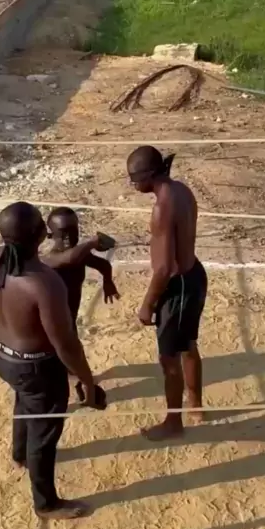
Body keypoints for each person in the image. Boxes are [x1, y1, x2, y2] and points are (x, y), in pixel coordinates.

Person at [0, 201, 101, 519]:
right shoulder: (44, 283)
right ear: (41, 235)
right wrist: (87, 381)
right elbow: (66, 344)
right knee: (44, 432)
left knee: (25, 399)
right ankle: (45, 503)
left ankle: (19, 454)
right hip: (33, 365)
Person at [126, 146, 207, 439]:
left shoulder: (162, 208)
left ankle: (174, 422)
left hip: (178, 286)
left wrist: (147, 304)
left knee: (169, 357)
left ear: (148, 175)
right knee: (189, 345)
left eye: (133, 178)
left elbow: (163, 269)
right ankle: (195, 404)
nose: (132, 184)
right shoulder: (182, 189)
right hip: (194, 274)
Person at [43, 206, 120, 402]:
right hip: (52, 324)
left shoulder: (79, 255)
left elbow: (103, 264)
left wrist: (108, 282)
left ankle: (76, 378)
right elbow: (70, 258)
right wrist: (93, 242)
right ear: (50, 234)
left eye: (73, 231)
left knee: (71, 353)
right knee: (60, 356)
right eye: (63, 233)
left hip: (70, 317)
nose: (69, 238)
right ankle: (78, 386)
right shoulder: (50, 260)